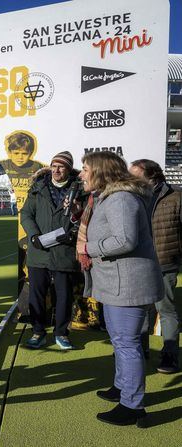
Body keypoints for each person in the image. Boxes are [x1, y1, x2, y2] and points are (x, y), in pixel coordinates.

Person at [77, 152, 162, 426]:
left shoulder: (121, 198)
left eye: (85, 169)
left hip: (128, 285)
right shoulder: (111, 196)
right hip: (117, 283)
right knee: (120, 341)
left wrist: (88, 248)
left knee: (127, 345)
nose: (81, 174)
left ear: (101, 171)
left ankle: (133, 405)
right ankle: (122, 388)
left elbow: (125, 240)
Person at [20, 151, 85, 350]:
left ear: (68, 168)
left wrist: (73, 234)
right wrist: (33, 236)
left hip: (64, 251)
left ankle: (61, 333)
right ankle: (38, 332)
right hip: (39, 251)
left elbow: (85, 217)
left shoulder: (81, 189)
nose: (57, 170)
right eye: (54, 165)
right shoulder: (38, 187)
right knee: (37, 294)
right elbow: (26, 214)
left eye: (61, 166)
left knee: (64, 295)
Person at [129, 159, 181, 374]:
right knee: (139, 310)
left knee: (166, 310)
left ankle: (169, 355)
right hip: (138, 263)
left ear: (151, 175)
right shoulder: (131, 195)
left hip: (165, 262)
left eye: (135, 174)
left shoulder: (176, 197)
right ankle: (140, 350)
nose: (130, 177)